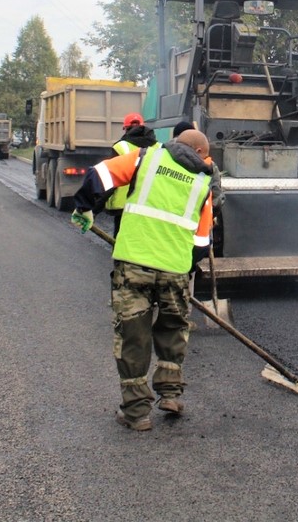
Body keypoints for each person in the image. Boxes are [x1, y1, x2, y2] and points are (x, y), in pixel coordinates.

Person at [70, 129, 214, 433]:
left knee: (133, 335)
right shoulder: (203, 183)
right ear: (200, 153)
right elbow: (202, 243)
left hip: (134, 264)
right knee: (174, 328)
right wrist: (180, 265)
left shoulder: (146, 159)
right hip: (174, 271)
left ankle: (137, 413)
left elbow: (100, 175)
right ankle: (171, 395)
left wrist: (84, 207)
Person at [102, 112, 157, 235]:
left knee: (120, 241)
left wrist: (94, 208)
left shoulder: (120, 147)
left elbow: (111, 179)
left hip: (124, 205)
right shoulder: (159, 148)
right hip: (150, 205)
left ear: (125, 129)